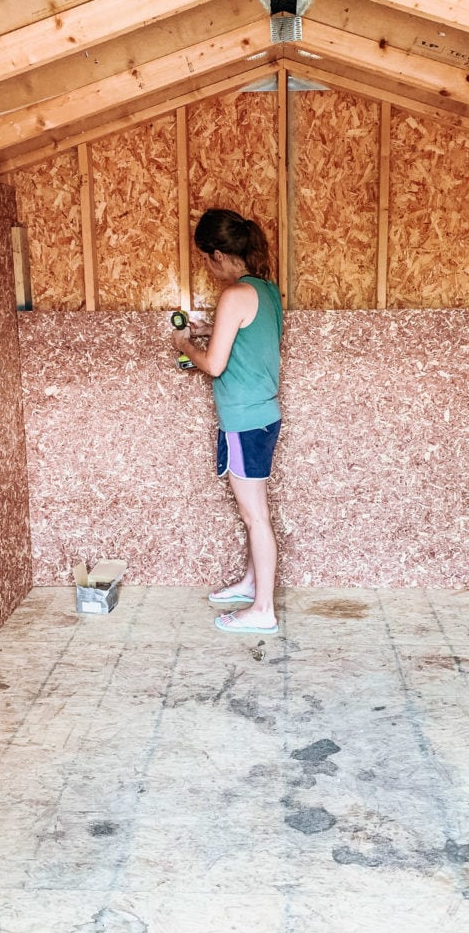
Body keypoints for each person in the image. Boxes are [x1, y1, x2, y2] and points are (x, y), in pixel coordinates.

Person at [172, 209, 283, 635]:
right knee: (252, 511)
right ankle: (254, 583)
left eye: (206, 259)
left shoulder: (235, 295)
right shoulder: (267, 291)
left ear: (218, 254)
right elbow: (248, 345)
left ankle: (263, 610)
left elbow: (216, 366)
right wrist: (209, 330)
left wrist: (186, 344)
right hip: (261, 416)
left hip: (244, 419)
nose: (207, 267)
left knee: (255, 516)